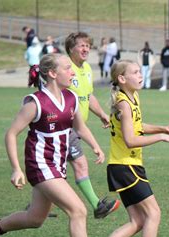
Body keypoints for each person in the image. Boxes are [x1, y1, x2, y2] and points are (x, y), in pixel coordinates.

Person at [0, 54, 116, 237]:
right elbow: (11, 134)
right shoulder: (35, 102)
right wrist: (16, 168)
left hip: (57, 166)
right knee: (78, 210)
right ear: (52, 73)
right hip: (40, 166)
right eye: (67, 68)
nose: (72, 72)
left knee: (35, 219)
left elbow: (80, 127)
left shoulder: (71, 98)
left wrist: (95, 146)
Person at [91, 60, 169, 237]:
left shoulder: (132, 98)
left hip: (125, 166)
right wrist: (162, 137)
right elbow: (131, 140)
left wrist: (162, 128)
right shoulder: (123, 103)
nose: (140, 75)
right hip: (125, 166)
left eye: (140, 71)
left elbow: (136, 126)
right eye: (135, 72)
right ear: (122, 79)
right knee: (154, 213)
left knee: (138, 221)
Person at [65, 32, 120, 218]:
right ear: (71, 48)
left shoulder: (87, 68)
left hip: (75, 128)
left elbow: (87, 96)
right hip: (62, 128)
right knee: (79, 164)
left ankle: (37, 207)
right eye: (81, 45)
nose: (86, 48)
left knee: (56, 170)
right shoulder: (65, 68)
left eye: (88, 45)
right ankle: (97, 205)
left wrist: (102, 114)